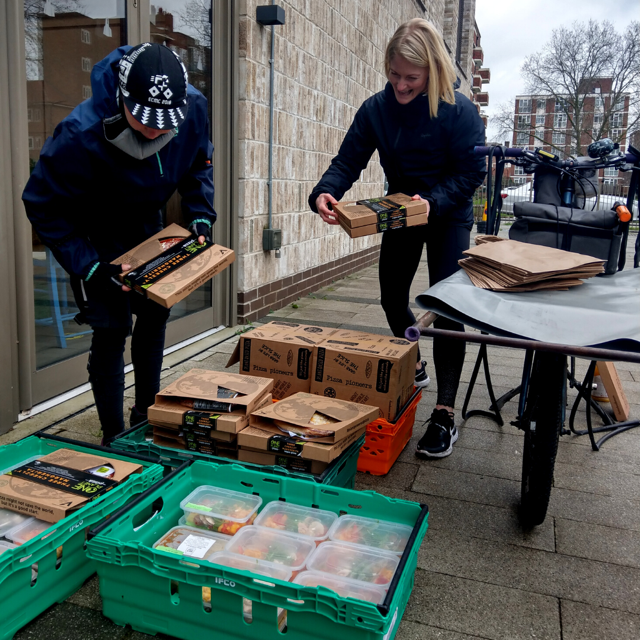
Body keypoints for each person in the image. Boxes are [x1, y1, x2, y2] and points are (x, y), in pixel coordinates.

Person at [308, 19, 486, 459]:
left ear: (432, 71)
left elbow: (470, 172)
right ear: (387, 65)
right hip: (401, 214)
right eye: (395, 74)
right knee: (391, 298)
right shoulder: (376, 110)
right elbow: (348, 159)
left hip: (447, 215)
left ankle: (444, 413)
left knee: (447, 308)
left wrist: (435, 202)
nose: (402, 85)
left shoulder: (459, 111)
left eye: (412, 77)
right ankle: (415, 363)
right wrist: (325, 192)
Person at [23, 42, 216, 444]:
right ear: (121, 98)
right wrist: (90, 266)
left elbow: (199, 163)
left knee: (154, 314)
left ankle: (146, 414)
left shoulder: (193, 107)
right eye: (145, 121)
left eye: (165, 124)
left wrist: (199, 214)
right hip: (98, 231)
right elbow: (42, 206)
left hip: (149, 225)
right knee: (111, 330)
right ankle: (113, 433)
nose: (155, 131)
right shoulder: (79, 133)